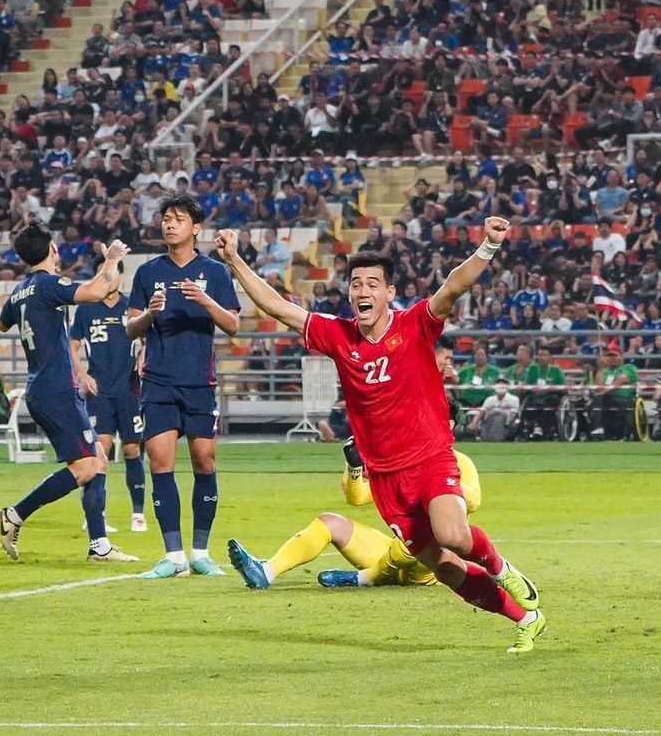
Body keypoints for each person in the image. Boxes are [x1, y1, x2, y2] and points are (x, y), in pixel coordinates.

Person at [211, 215, 546, 653]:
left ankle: (503, 569)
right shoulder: (338, 335)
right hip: (386, 479)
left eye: (372, 284)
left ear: (389, 293)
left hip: (430, 459)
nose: (362, 291)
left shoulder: (415, 325)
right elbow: (277, 307)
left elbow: (453, 286)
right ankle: (526, 619)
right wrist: (234, 260)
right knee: (443, 567)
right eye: (356, 284)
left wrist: (488, 246)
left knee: (453, 535)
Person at [0, 223, 137, 563]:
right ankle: (14, 514)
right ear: (53, 250)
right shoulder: (47, 284)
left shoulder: (19, 291)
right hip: (56, 389)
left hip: (41, 387)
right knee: (88, 466)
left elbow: (1, 325)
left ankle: (99, 546)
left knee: (97, 459)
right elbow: (95, 291)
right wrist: (112, 258)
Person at [125, 193, 242, 578]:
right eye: (166, 218)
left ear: (196, 227)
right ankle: (173, 556)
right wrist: (149, 313)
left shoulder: (215, 271)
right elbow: (129, 328)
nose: (169, 224)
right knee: (160, 462)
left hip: (199, 383)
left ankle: (200, 552)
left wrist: (206, 301)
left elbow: (233, 325)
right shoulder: (147, 272)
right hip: (157, 381)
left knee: (204, 460)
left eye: (178, 218)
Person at [229, 438, 483, 589]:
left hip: (427, 564)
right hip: (396, 551)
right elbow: (358, 497)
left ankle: (362, 579)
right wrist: (354, 468)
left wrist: (438, 484)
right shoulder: (401, 459)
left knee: (417, 536)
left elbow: (474, 502)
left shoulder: (458, 462)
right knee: (329, 522)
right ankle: (266, 572)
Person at [70, 280, 147, 532]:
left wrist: (143, 358)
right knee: (100, 449)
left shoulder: (132, 307)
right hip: (99, 391)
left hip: (128, 390)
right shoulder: (87, 308)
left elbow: (147, 340)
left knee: (132, 449)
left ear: (121, 278)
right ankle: (95, 513)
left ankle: (138, 514)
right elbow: (72, 346)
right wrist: (82, 374)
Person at [590, 343, 638, 440]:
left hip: (622, 398)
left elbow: (620, 381)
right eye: (609, 356)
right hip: (606, 398)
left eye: (614, 356)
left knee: (600, 397)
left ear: (621, 357)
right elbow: (599, 387)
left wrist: (603, 392)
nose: (612, 358)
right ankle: (597, 428)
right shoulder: (606, 371)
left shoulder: (628, 368)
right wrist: (600, 369)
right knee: (597, 399)